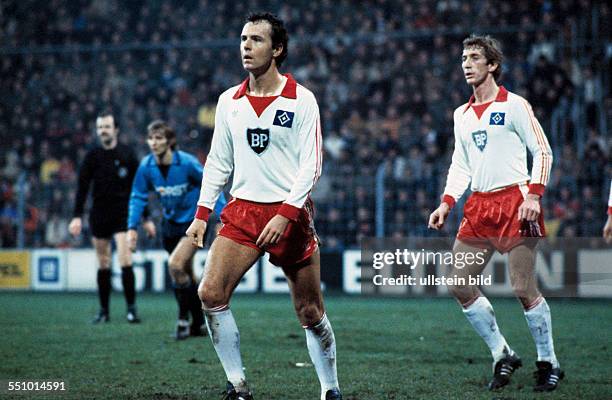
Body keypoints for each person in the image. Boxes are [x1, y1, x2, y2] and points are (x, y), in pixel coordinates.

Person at [186, 13, 341, 400]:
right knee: (210, 293)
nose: (245, 46)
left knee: (309, 311)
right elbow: (218, 163)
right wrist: (202, 215)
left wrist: (287, 213)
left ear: (277, 49)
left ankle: (330, 390)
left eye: (256, 39)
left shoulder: (302, 99)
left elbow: (312, 164)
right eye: (242, 39)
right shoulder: (229, 102)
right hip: (242, 212)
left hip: (290, 214)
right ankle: (237, 385)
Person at [428, 35, 563, 392]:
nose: (466, 64)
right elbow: (461, 163)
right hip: (479, 205)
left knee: (522, 286)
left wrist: (534, 195)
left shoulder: (515, 105)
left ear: (492, 65)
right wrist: (446, 202)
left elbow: (544, 153)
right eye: (463, 58)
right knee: (458, 283)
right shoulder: (462, 114)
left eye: (474, 57)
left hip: (517, 203)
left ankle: (549, 362)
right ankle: (502, 353)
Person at [127, 120, 226, 339]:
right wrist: (132, 228)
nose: (154, 143)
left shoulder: (187, 164)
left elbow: (212, 185)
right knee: (185, 273)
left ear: (170, 141)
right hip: (169, 227)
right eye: (151, 138)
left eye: (159, 138)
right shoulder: (147, 167)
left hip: (193, 224)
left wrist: (222, 216)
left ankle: (182, 321)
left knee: (175, 265)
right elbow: (138, 196)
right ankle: (199, 323)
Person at [69, 111, 143, 324]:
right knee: (103, 262)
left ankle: (131, 309)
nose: (103, 131)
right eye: (100, 127)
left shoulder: (128, 154)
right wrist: (76, 216)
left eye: (106, 127)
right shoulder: (92, 156)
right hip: (99, 215)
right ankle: (104, 311)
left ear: (116, 129)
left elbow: (138, 189)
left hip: (123, 214)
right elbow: (82, 188)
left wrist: (144, 218)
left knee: (125, 259)